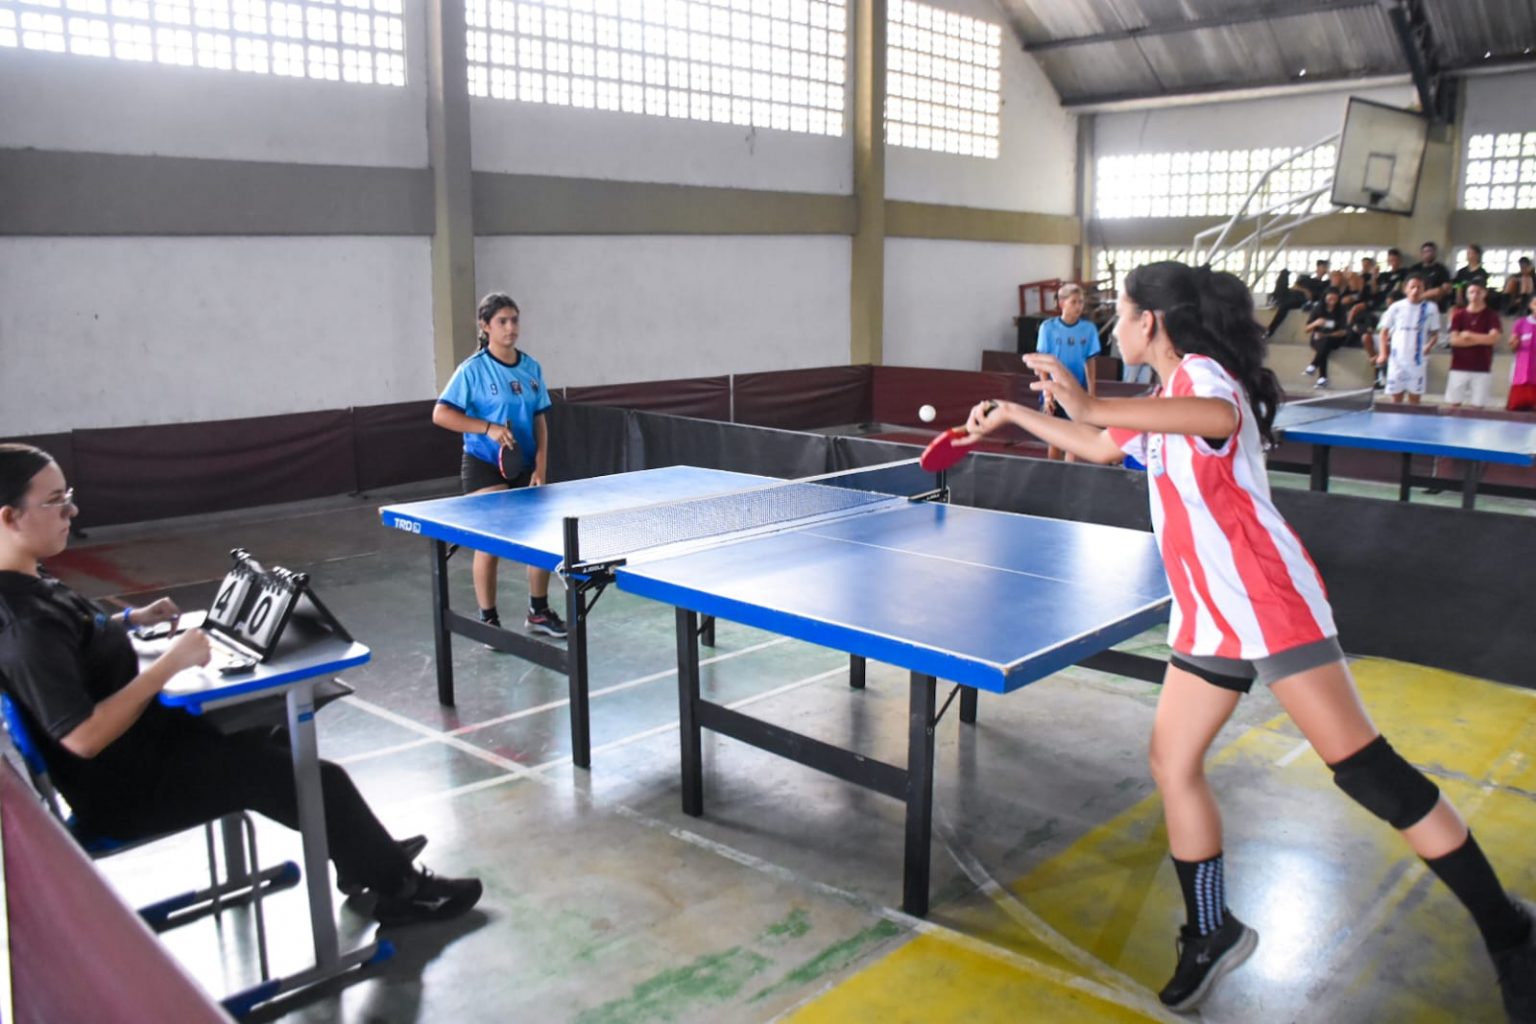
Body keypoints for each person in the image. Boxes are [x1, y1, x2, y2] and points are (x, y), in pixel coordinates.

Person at [955, 261, 1534, 1020]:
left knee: (1367, 772)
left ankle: (1511, 933)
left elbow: (1218, 418)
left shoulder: (1205, 380)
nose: (1112, 328)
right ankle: (1211, 928)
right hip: (1208, 611)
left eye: (1119, 315)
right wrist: (1014, 414)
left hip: (1267, 599)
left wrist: (1087, 398)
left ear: (1150, 322)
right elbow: (1100, 448)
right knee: (1173, 762)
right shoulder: (1162, 398)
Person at [0, 445, 483, 927]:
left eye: (69, 495)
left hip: (141, 750)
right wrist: (168, 666)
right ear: (9, 517)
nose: (72, 511)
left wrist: (129, 620)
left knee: (271, 726)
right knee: (313, 777)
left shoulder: (31, 581)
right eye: (55, 501)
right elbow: (82, 736)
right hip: (126, 792)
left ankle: (363, 854)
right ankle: (403, 890)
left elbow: (77, 638)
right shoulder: (25, 625)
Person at [432, 293, 564, 639]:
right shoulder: (472, 370)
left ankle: (538, 612)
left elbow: (539, 421)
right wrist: (487, 428)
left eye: (514, 320)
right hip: (484, 462)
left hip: (524, 461)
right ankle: (488, 618)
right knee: (491, 539)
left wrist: (541, 467)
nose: (510, 327)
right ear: (485, 326)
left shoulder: (531, 367)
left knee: (540, 538)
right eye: (502, 321)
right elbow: (441, 414)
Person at [1033, 282, 1101, 461]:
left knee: (1075, 437)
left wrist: (1091, 392)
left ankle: (1070, 472)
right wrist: (1047, 394)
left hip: (1077, 389)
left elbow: (1090, 361)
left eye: (1081, 302)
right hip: (1054, 389)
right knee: (1054, 439)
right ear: (1062, 303)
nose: (1079, 306)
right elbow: (1043, 363)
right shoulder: (1048, 328)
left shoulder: (1088, 329)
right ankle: (1053, 472)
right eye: (1074, 302)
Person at [1377, 273, 1443, 405]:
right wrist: (1383, 354)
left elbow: (1435, 334)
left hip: (1417, 362)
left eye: (1419, 287)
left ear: (1424, 289)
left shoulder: (1431, 308)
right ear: (1405, 289)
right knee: (1396, 400)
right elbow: (1383, 332)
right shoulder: (1395, 307)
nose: (1415, 290)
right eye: (1412, 287)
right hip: (1397, 361)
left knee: (1415, 401)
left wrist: (1429, 345)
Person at [1444, 282, 1502, 409]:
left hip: (1482, 366)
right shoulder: (1458, 315)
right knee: (1454, 405)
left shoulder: (1492, 315)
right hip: (1459, 366)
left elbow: (1494, 339)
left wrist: (1469, 335)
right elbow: (1454, 340)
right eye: (1471, 292)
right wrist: (1482, 339)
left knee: (1478, 406)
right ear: (1467, 295)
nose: (1475, 295)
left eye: (1478, 292)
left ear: (1484, 294)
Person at [1301, 289, 1349, 388]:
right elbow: (1306, 329)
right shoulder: (1318, 308)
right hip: (1317, 338)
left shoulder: (1341, 310)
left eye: (1335, 299)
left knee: (1325, 343)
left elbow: (1343, 332)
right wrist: (1316, 323)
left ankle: (1314, 366)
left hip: (1334, 338)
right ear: (1325, 297)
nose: (1332, 301)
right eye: (1330, 298)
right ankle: (1322, 378)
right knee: (1323, 347)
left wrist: (1326, 335)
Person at [1508, 294, 1536, 413]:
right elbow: (1513, 346)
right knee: (1518, 409)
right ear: (1530, 305)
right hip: (1523, 368)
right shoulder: (1521, 323)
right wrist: (1514, 343)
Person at [1415, 241, 1454, 311]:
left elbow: (1446, 288)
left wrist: (1423, 295)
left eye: (1430, 251)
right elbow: (1407, 286)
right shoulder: (1415, 269)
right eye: (1425, 252)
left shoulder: (1442, 269)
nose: (1427, 254)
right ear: (1422, 253)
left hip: (1437, 306)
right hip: (1416, 305)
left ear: (1434, 253)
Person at [1453, 244, 1492, 309]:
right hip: (1462, 300)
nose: (1468, 256)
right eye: (1467, 253)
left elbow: (1483, 289)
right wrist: (1458, 296)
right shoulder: (1461, 271)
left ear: (1477, 255)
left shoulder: (1482, 272)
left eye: (1470, 253)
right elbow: (1457, 285)